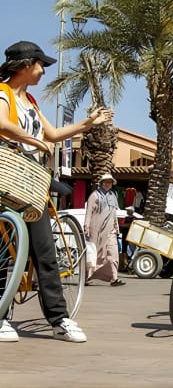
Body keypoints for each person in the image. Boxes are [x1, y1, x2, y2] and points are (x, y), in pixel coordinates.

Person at [0, 40, 113, 343]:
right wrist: (29, 139)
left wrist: (88, 124)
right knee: (4, 252)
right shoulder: (4, 94)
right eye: (40, 65)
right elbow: (1, 122)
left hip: (29, 183)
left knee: (44, 251)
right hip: (6, 178)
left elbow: (52, 134)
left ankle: (58, 319)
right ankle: (0, 317)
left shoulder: (31, 102)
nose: (42, 71)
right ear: (24, 66)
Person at [84, 173, 126, 286]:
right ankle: (87, 277)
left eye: (110, 182)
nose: (108, 184)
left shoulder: (113, 195)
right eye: (106, 182)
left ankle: (114, 278)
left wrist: (116, 227)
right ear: (102, 183)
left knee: (113, 253)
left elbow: (113, 213)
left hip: (110, 231)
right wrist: (86, 226)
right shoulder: (94, 195)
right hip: (96, 230)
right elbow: (88, 212)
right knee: (94, 254)